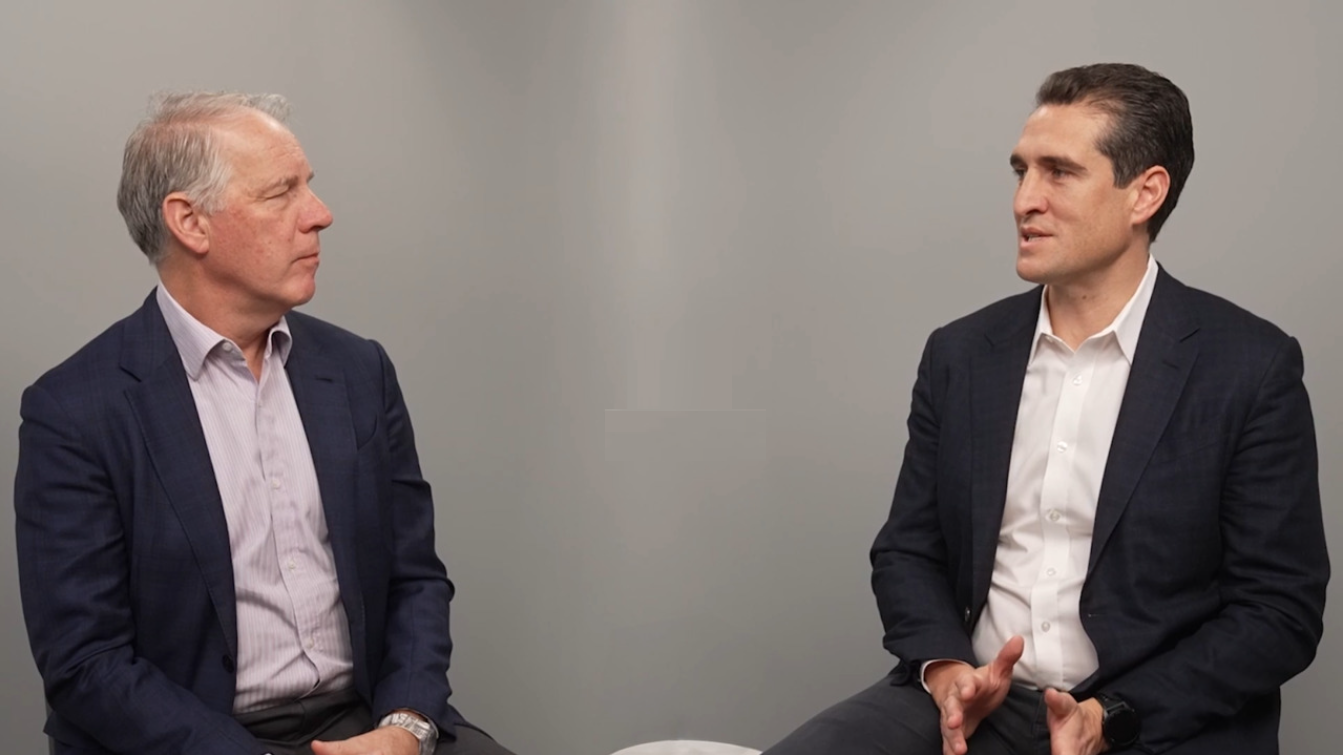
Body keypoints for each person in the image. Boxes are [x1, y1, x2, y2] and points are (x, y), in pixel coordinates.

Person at [762, 63, 1329, 755]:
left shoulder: (1248, 365)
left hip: (1151, 717)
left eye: (1058, 172)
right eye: (1020, 171)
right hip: (977, 701)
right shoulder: (960, 353)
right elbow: (907, 549)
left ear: (1145, 193)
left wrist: (1110, 716)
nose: (1024, 200)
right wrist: (947, 671)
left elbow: (1279, 609)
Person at [14, 92, 515, 755]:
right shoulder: (75, 411)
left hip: (366, 721)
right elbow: (87, 660)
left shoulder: (359, 371)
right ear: (190, 223)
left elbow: (414, 579)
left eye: (309, 185)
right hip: (190, 740)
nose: (320, 214)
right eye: (283, 193)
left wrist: (404, 727)